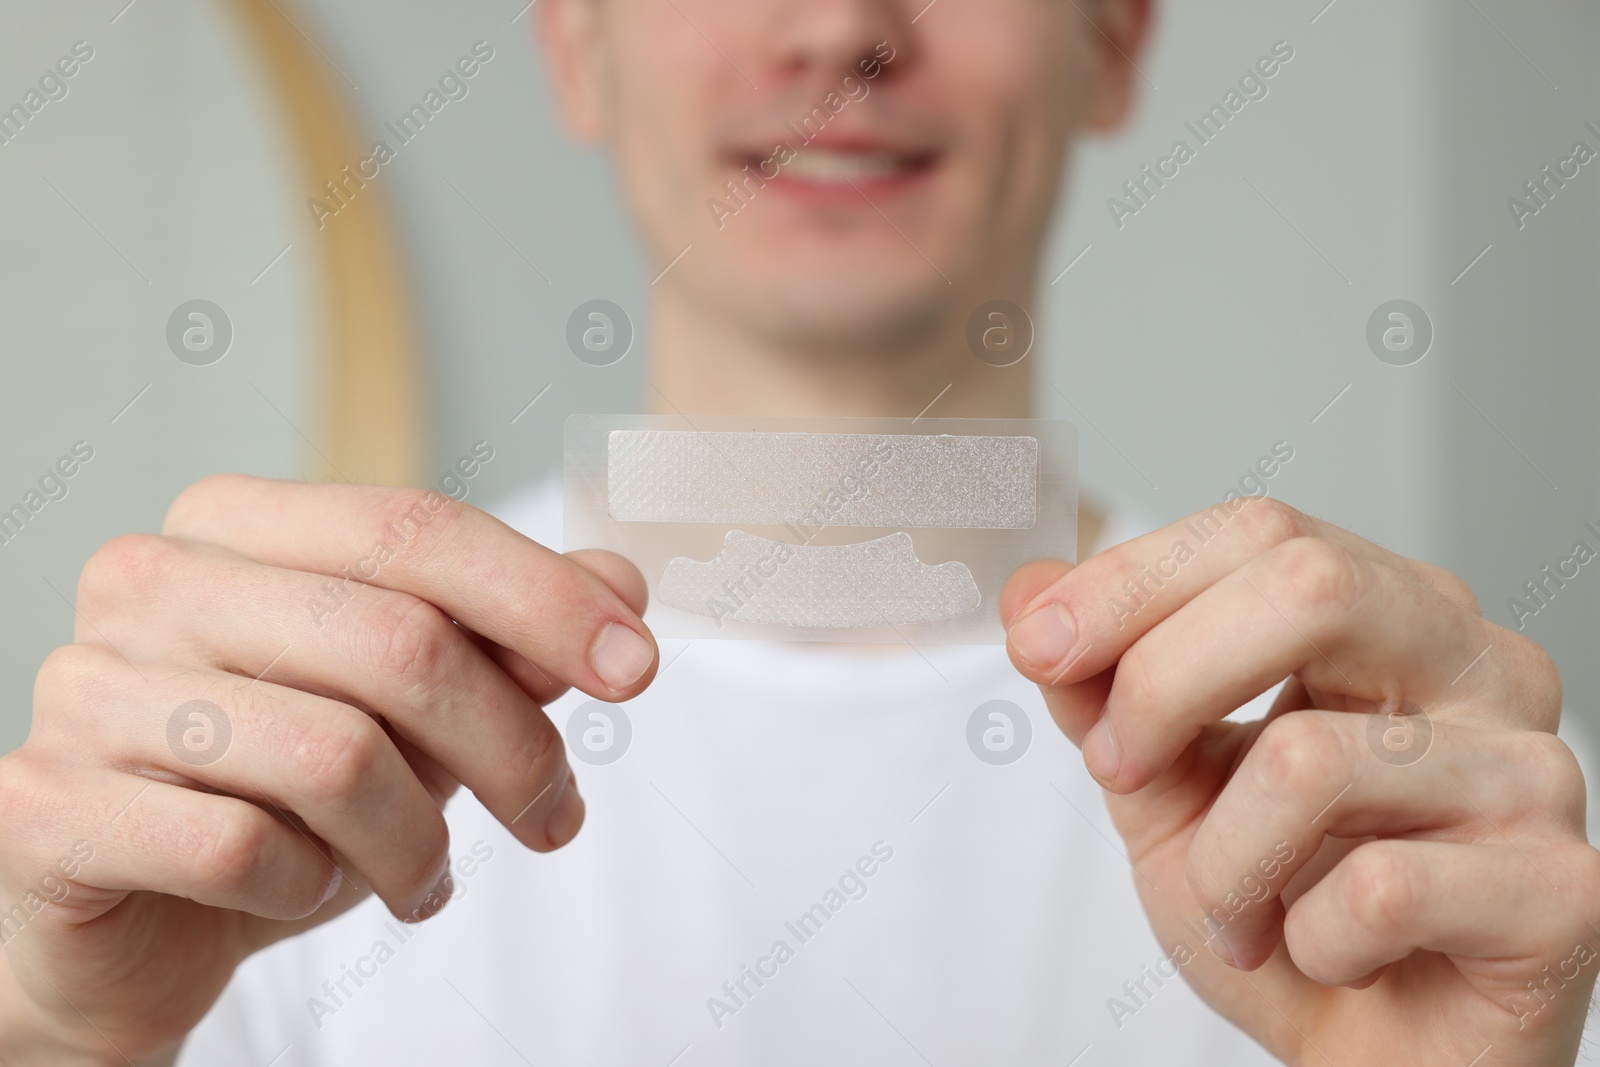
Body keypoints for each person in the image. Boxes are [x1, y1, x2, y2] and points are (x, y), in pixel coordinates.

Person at [2, 1, 1596, 1064]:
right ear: (575, 43)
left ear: (1112, 39)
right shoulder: (279, 784)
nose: (841, 26)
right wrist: (53, 1038)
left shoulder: (1425, 825)